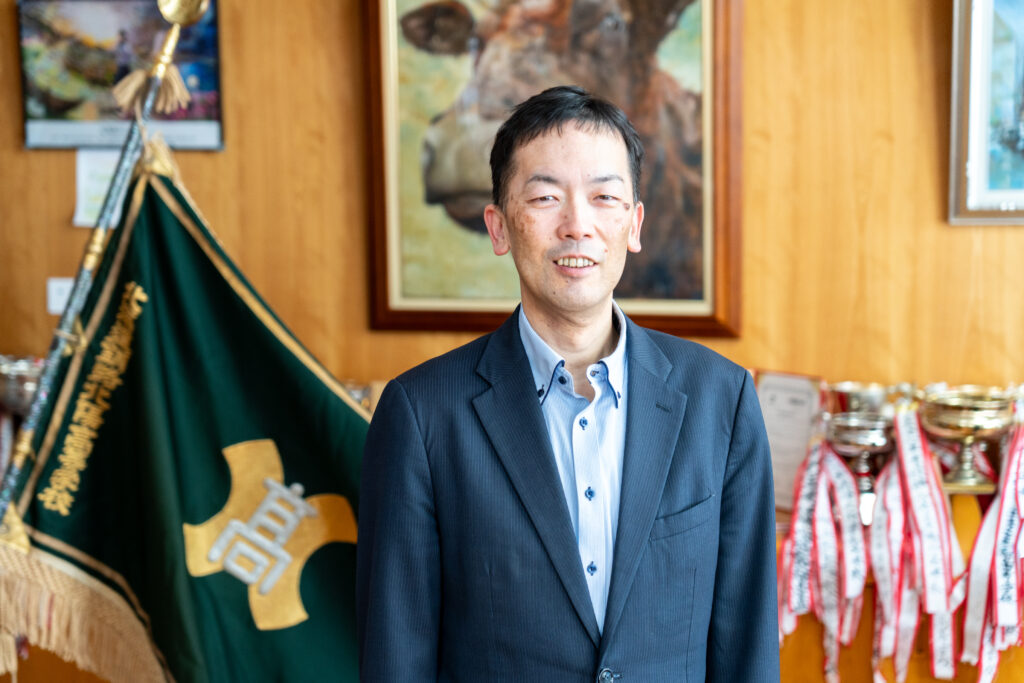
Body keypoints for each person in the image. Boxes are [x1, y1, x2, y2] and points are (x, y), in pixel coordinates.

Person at [356, 85, 778, 682]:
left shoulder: (721, 400)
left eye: (604, 197)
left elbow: (748, 647)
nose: (578, 226)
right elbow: (396, 656)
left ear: (633, 224)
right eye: (545, 197)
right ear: (499, 228)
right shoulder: (422, 414)